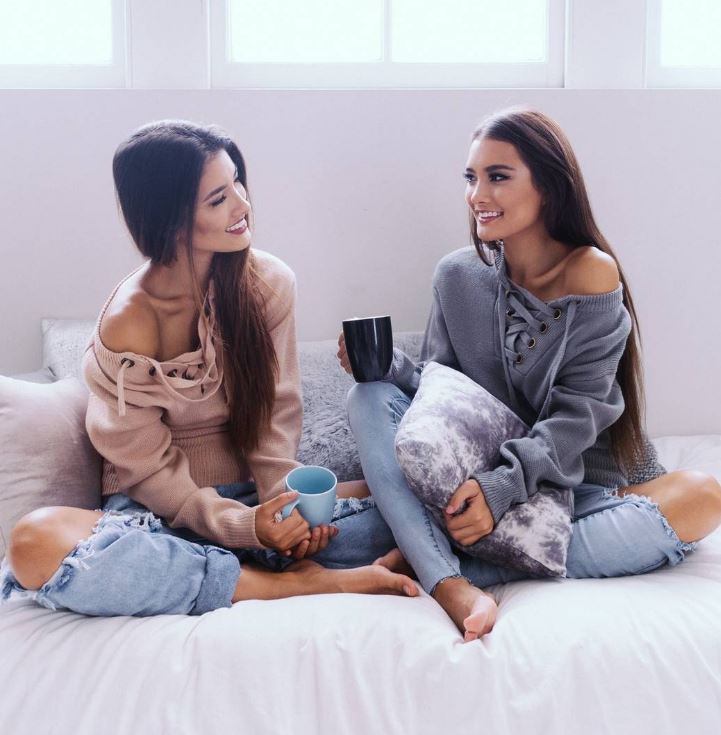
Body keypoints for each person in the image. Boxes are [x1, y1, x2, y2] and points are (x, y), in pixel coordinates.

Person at [2, 120, 416, 616]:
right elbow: (147, 472)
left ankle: (239, 572)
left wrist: (285, 516)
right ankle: (282, 585)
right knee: (34, 543)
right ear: (170, 219)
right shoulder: (129, 325)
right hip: (162, 517)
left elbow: (274, 417)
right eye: (218, 199)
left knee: (421, 503)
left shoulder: (268, 283)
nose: (243, 204)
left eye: (238, 182)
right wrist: (243, 528)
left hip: (254, 502)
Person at [339, 108, 721, 642]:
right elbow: (443, 391)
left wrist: (503, 487)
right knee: (367, 395)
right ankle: (448, 580)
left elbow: (576, 416)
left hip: (576, 484)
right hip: (475, 480)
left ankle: (444, 562)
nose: (478, 195)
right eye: (471, 178)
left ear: (549, 185)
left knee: (704, 495)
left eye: (498, 176)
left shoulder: (589, 272)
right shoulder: (456, 275)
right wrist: (387, 367)